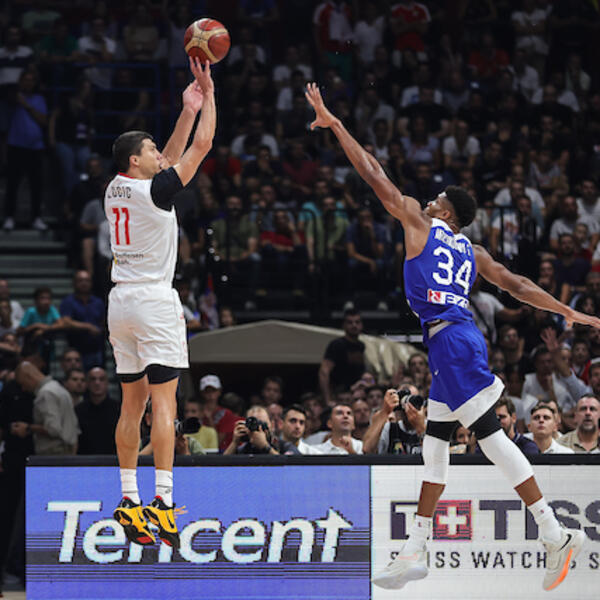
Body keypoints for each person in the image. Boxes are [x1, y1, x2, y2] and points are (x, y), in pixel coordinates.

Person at [305, 82, 600, 591]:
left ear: (444, 213)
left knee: (492, 438)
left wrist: (335, 125)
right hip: (455, 339)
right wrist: (565, 310)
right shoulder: (473, 251)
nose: (429, 198)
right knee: (435, 445)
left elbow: (373, 173)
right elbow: (519, 285)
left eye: (437, 198)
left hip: (452, 339)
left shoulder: (417, 222)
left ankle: (554, 532)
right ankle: (415, 550)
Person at [107, 58, 216, 549]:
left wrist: (186, 109)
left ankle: (129, 499)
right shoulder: (155, 191)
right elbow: (200, 147)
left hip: (120, 303)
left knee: (131, 405)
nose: (158, 154)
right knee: (164, 403)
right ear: (136, 160)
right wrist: (208, 96)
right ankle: (164, 502)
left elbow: (168, 158)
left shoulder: (117, 187)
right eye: (150, 150)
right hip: (153, 300)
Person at [12, 361, 79, 455]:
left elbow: (53, 429)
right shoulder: (57, 387)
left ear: (29, 377)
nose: (24, 388)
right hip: (67, 451)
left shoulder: (46, 393)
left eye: (22, 384)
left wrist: (28, 428)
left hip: (54, 454)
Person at [319, 308, 366, 405]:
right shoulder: (337, 345)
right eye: (350, 322)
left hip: (356, 396)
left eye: (357, 322)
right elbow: (324, 372)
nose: (354, 325)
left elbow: (366, 375)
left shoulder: (362, 346)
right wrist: (328, 400)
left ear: (361, 325)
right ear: (344, 325)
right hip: (339, 396)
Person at [59, 270, 105, 371]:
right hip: (75, 350)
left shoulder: (98, 302)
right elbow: (66, 322)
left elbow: (103, 322)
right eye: (80, 280)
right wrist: (88, 327)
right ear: (74, 283)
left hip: (96, 350)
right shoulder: (68, 302)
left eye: (87, 280)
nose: (84, 283)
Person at [75, 367, 119, 454]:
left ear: (107, 383)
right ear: (87, 383)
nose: (97, 383)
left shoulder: (118, 409)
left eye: (101, 379)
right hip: (84, 459)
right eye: (93, 379)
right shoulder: (78, 410)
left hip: (113, 459)